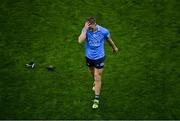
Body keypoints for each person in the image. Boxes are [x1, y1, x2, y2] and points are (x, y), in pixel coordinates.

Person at [78, 17, 118, 109]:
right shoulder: (86, 30)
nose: (89, 28)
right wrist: (84, 29)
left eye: (89, 26)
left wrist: (114, 47)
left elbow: (109, 39)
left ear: (94, 24)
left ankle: (96, 99)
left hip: (99, 57)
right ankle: (96, 83)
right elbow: (80, 40)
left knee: (97, 76)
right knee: (92, 73)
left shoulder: (104, 31)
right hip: (89, 57)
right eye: (87, 26)